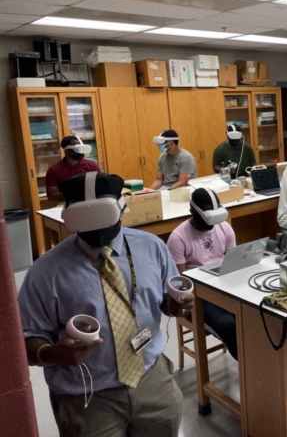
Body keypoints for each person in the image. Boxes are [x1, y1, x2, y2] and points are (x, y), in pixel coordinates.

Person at [18, 172, 193, 436]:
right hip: (87, 397)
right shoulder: (45, 273)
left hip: (152, 381)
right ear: (69, 218)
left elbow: (166, 302)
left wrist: (176, 306)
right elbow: (26, 340)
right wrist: (53, 354)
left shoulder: (151, 247)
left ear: (122, 208)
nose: (96, 227)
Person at [166, 188, 238, 360]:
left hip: (224, 287)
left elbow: (235, 263)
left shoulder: (224, 228)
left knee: (251, 315)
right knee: (228, 325)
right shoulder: (178, 238)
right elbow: (182, 284)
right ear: (193, 211)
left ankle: (258, 366)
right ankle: (249, 368)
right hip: (197, 297)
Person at [46, 136, 101, 201]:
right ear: (67, 151)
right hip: (68, 204)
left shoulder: (92, 165)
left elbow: (101, 186)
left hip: (91, 202)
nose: (80, 153)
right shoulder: (54, 170)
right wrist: (74, 194)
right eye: (77, 150)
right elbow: (51, 195)